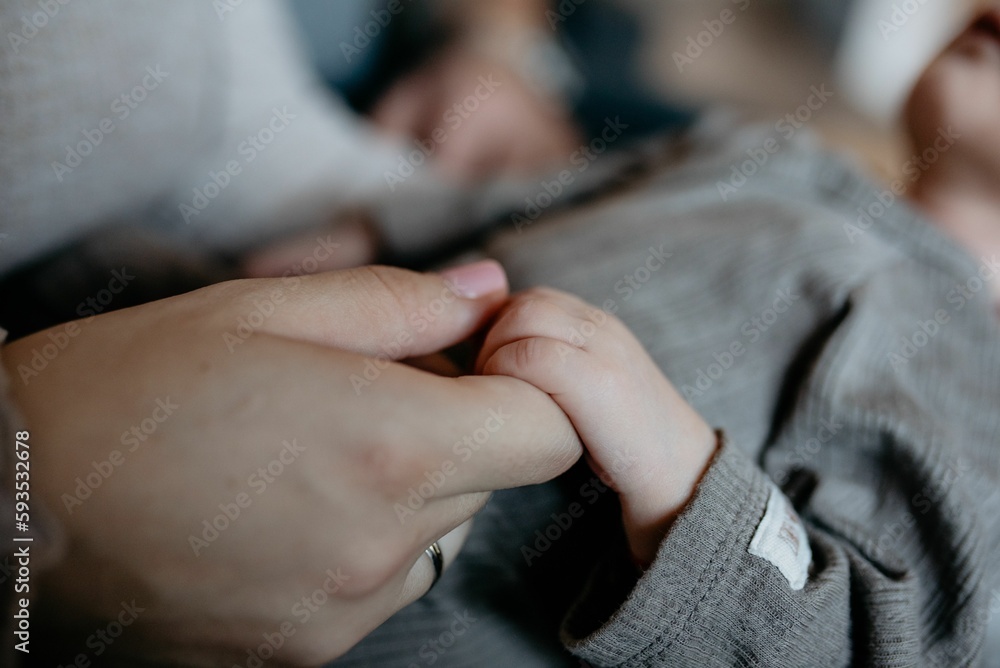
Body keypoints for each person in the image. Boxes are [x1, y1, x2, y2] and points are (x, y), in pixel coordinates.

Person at [2, 4, 999, 668]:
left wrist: (686, 475)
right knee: (102, 276)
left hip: (427, 594)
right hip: (308, 352)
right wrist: (377, 228)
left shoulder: (970, 381)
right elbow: (545, 193)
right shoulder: (764, 146)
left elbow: (881, 637)